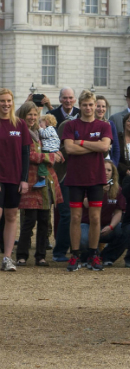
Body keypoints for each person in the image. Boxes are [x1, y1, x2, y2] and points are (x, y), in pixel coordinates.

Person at [61, 89, 114, 272]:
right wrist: (94, 147)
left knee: (94, 217)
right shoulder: (71, 125)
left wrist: (81, 142)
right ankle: (75, 255)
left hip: (96, 178)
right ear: (80, 106)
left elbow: (105, 146)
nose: (88, 108)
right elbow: (69, 149)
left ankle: (94, 254)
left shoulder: (103, 126)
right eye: (85, 105)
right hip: (75, 177)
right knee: (75, 217)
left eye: (91, 105)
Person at [16, 102, 63, 267]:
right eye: (29, 114)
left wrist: (56, 153)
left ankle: (41, 256)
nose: (32, 117)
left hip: (44, 182)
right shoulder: (21, 133)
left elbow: (48, 148)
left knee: (44, 220)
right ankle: (21, 255)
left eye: (35, 114)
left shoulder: (39, 132)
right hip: (30, 181)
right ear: (23, 115)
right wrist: (50, 157)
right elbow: (29, 155)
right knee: (29, 221)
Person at [0, 90, 31, 271]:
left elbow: (25, 153)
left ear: (13, 102)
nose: (6, 104)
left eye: (9, 101)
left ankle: (7, 258)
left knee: (12, 217)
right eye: (2, 101)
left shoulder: (19, 124)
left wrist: (24, 179)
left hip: (14, 178)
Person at [93, 161, 124, 266]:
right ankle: (89, 255)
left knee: (123, 230)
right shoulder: (91, 186)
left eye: (109, 170)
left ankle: (107, 256)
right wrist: (100, 192)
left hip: (107, 226)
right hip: (90, 225)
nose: (106, 173)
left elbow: (118, 212)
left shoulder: (117, 189)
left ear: (113, 173)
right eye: (103, 169)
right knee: (83, 237)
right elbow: (86, 204)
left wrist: (111, 226)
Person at [95, 95, 121, 165]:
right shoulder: (89, 124)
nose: (101, 109)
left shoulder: (111, 124)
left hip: (109, 163)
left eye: (103, 106)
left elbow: (116, 147)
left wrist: (114, 165)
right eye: (98, 106)